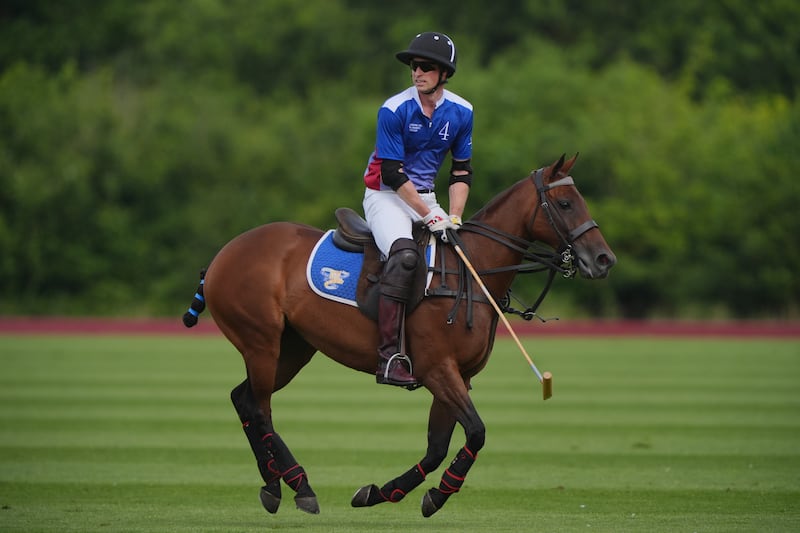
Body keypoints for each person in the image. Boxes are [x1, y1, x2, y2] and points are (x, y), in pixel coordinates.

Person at [362, 32, 474, 388]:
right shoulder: (394, 110)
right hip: (386, 195)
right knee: (405, 256)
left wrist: (454, 215)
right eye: (414, 66)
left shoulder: (462, 112)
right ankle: (389, 357)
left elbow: (461, 171)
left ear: (444, 73)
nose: (417, 72)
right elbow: (393, 174)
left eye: (426, 67)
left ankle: (451, 347)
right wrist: (429, 215)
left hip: (427, 197)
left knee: (460, 256)